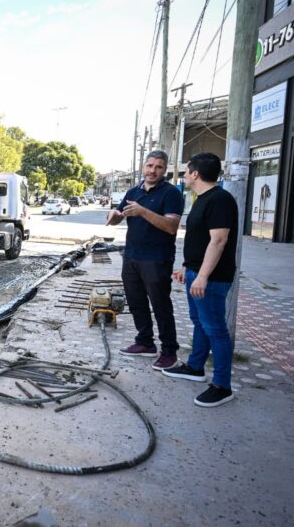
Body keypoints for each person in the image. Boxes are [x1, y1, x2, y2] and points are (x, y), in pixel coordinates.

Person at [162, 153, 239, 407]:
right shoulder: (203, 199)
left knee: (216, 328)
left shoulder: (220, 200)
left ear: (195, 174)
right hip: (196, 272)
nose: (184, 175)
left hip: (212, 278)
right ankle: (195, 367)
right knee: (200, 323)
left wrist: (203, 275)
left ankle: (221, 385)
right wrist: (187, 266)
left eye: (186, 171)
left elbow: (218, 240)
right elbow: (201, 239)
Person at [106, 150, 184, 371]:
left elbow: (171, 226)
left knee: (161, 305)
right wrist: (114, 215)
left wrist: (142, 211)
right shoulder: (133, 191)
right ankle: (145, 342)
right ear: (143, 167)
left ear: (165, 169)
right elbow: (119, 216)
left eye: (158, 167)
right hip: (131, 256)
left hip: (157, 259)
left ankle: (169, 351)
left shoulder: (171, 193)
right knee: (136, 301)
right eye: (149, 166)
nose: (153, 170)